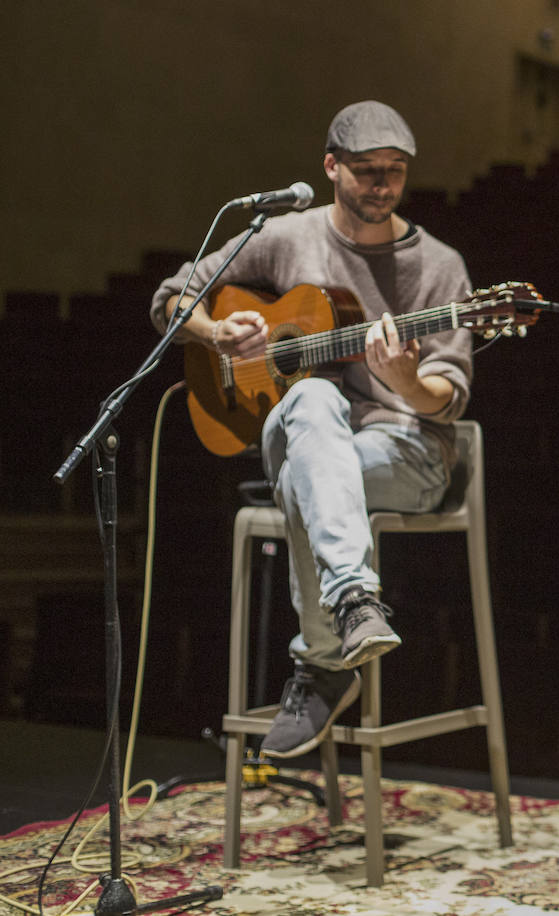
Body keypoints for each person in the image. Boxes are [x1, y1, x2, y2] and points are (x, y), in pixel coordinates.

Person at [150, 100, 474, 758]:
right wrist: (217, 332)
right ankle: (353, 605)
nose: (382, 185)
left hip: (406, 451)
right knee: (313, 401)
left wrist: (406, 382)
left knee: (308, 472)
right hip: (301, 430)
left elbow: (449, 401)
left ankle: (324, 661)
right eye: (365, 171)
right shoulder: (287, 235)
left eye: (396, 171)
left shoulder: (440, 267)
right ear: (330, 167)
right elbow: (171, 296)